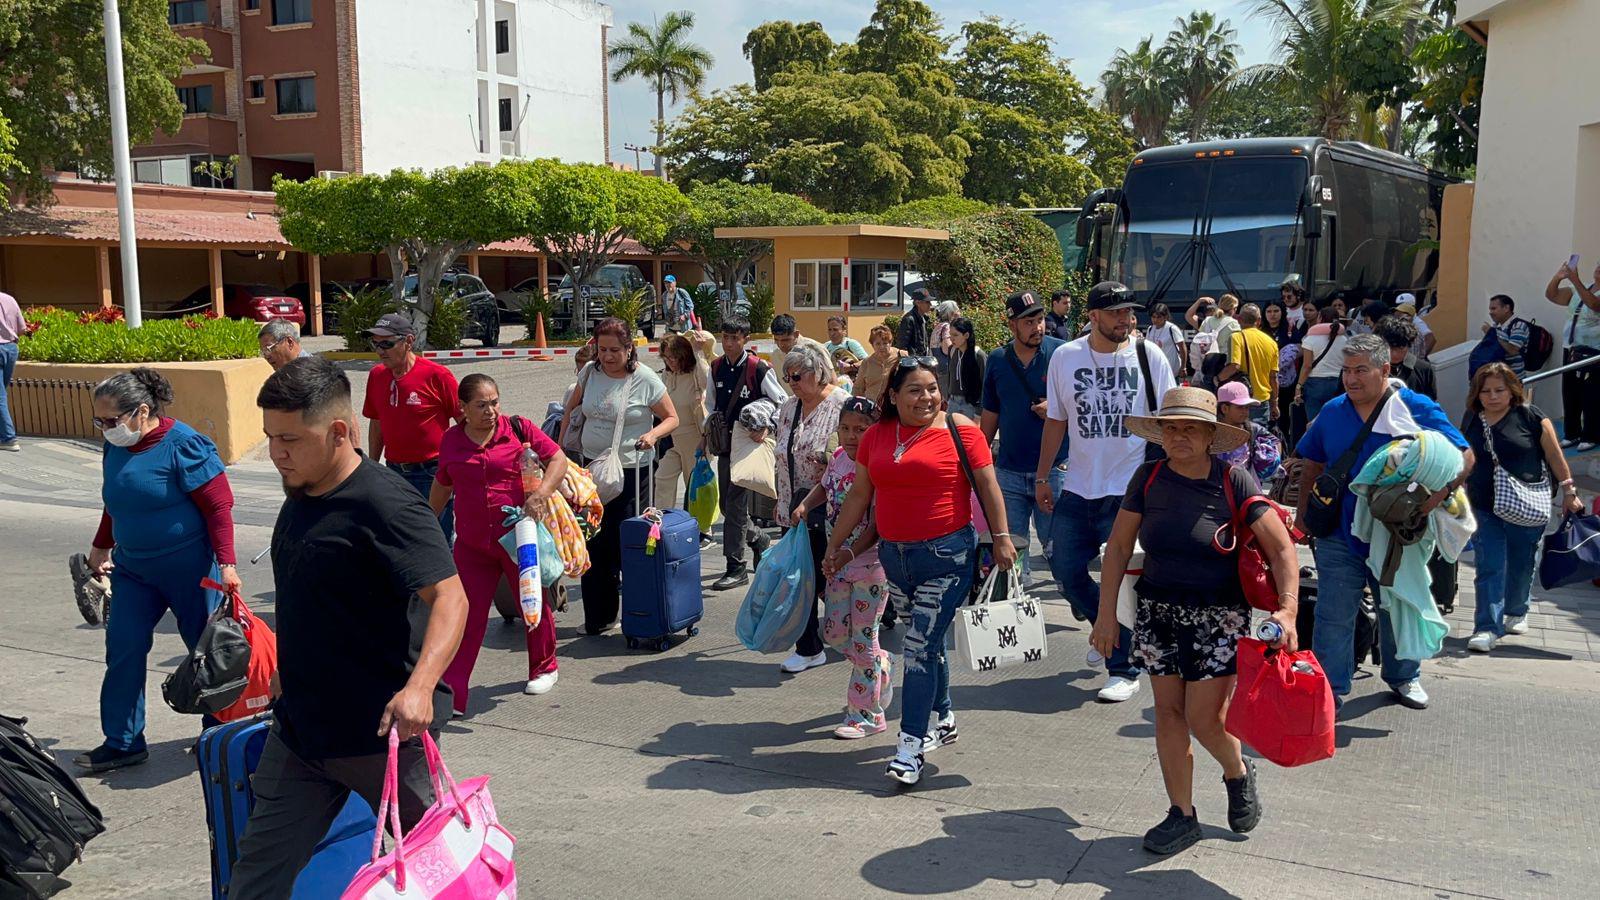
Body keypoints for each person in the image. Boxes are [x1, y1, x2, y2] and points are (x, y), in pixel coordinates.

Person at [230, 357, 468, 899]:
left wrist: (420, 688)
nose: (276, 453)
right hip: (301, 736)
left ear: (339, 432)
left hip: (383, 740)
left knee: (448, 876)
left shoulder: (386, 504)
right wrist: (287, 667)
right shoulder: (302, 492)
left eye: (290, 439)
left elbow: (451, 597)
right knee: (254, 882)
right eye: (270, 437)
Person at [1095, 386, 1297, 855]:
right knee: (1168, 714)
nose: (1179, 436)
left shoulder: (1234, 480)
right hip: (1158, 613)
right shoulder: (1148, 477)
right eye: (1171, 428)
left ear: (1210, 437)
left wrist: (1287, 609)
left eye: (1191, 428)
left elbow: (1281, 547)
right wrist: (1106, 616)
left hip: (1219, 618)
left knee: (1205, 720)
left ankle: (1237, 771)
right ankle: (1182, 815)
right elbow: (1119, 548)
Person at [824, 359, 1015, 786]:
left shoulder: (960, 430)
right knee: (926, 644)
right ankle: (943, 717)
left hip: (947, 558)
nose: (926, 397)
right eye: (914, 390)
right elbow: (859, 496)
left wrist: (1002, 537)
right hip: (895, 560)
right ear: (893, 396)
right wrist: (837, 547)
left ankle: (909, 748)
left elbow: (988, 485)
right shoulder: (876, 436)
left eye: (932, 388)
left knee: (918, 648)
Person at [1294, 334, 1472, 711]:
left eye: (1361, 370)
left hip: (1395, 536)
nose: (1351, 378)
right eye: (1346, 370)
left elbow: (1464, 456)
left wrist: (1436, 497)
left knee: (1397, 606)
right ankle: (1330, 688)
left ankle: (1404, 676)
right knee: (1333, 612)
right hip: (1339, 532)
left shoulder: (1414, 407)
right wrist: (1303, 513)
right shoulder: (1333, 411)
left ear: (1385, 369)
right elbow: (1313, 463)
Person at [75, 369, 235, 772]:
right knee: (123, 648)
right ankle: (124, 742)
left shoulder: (185, 445)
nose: (105, 428)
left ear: (142, 411)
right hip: (133, 570)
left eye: (111, 420)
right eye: (99, 421)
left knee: (206, 654)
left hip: (191, 570)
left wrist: (228, 564)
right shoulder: (116, 446)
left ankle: (220, 733)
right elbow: (115, 502)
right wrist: (100, 546)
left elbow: (219, 506)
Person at [1036, 281, 1177, 703]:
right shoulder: (1066, 356)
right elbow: (1057, 419)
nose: (1125, 320)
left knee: (1120, 579)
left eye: (1129, 312)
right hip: (1079, 486)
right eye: (1115, 312)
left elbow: (1170, 419)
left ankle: (1123, 667)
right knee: (1065, 571)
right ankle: (1106, 628)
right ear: (1093, 316)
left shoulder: (1148, 355)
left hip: (1130, 489)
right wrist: (1042, 477)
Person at [430, 374, 568, 709]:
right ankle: (454, 692)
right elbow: (443, 484)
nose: (490, 411)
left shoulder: (517, 429)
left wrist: (541, 494)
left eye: (494, 402)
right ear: (463, 408)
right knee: (465, 615)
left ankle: (545, 667)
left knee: (531, 602)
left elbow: (558, 459)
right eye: (481, 405)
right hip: (472, 544)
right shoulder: (451, 440)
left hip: (518, 536)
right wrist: (426, 523)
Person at [561, 317, 678, 634]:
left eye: (615, 350)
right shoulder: (590, 372)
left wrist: (652, 435)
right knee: (594, 541)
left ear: (629, 349)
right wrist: (561, 452)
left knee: (626, 541)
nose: (608, 356)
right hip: (591, 470)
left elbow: (671, 418)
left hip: (632, 471)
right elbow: (571, 411)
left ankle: (640, 614)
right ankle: (599, 618)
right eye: (602, 349)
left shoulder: (645, 379)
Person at [1460, 363, 1583, 653]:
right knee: (1489, 565)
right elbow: (1464, 454)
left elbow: (1554, 456)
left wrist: (1569, 492)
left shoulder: (1530, 416)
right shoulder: (1473, 418)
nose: (1492, 397)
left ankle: (1517, 610)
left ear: (1512, 390)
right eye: (1485, 391)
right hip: (1484, 504)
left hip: (1526, 504)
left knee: (1521, 563)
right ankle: (1486, 627)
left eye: (1499, 390)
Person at [792, 397, 890, 738]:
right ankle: (880, 665)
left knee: (863, 641)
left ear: (875, 430)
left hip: (870, 566)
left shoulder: (878, 466)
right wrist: (805, 505)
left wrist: (848, 553)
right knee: (834, 634)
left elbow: (876, 525)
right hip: (837, 563)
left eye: (861, 429)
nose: (851, 436)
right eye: (845, 428)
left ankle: (866, 715)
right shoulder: (837, 457)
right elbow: (824, 487)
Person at [982, 292, 1069, 585]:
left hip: (1055, 470)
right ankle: (1016, 601)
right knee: (1011, 554)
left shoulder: (1062, 354)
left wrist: (1056, 408)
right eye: (1029, 322)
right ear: (1012, 325)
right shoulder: (997, 360)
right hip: (1009, 472)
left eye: (1040, 319)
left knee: (1058, 548)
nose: (1037, 327)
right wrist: (979, 458)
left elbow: (1083, 405)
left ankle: (1072, 592)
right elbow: (991, 412)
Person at [775, 345, 847, 674]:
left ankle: (867, 619)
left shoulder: (841, 404)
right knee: (799, 580)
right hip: (794, 508)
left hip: (830, 509)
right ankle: (808, 648)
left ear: (818, 373)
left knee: (828, 578)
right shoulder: (789, 407)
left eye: (797, 376)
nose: (791, 383)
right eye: (787, 377)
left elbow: (853, 455)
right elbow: (782, 455)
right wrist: (782, 503)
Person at [1377, 314, 1456, 614]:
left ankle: (1438, 592)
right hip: (1382, 455)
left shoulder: (1421, 369)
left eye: (1402, 347)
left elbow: (1432, 411)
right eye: (1392, 346)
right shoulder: (1367, 368)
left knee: (1425, 522)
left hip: (1418, 455)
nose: (1397, 353)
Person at [703, 315, 786, 590]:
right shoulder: (716, 367)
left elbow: (781, 402)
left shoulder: (758, 368)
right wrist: (705, 438)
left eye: (734, 338)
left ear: (745, 339)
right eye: (725, 337)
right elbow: (711, 406)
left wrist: (767, 427)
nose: (728, 343)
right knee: (727, 506)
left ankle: (735, 566)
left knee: (735, 504)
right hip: (725, 445)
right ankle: (758, 538)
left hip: (749, 444)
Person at [361, 312, 460, 542]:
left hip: (432, 474)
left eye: (387, 344)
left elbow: (465, 422)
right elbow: (377, 422)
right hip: (394, 473)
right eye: (375, 344)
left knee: (437, 540)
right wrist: (372, 467)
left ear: (408, 341)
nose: (380, 351)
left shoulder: (437, 375)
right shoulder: (376, 376)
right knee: (400, 540)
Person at [1544, 258, 1600, 451]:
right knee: (1570, 392)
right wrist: (1558, 277)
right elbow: (1552, 295)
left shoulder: (1583, 289)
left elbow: (1594, 304)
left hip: (1594, 351)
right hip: (1571, 348)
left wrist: (1575, 279)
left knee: (1591, 395)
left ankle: (1591, 435)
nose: (1599, 269)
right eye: (1598, 265)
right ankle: (1572, 433)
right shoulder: (1579, 290)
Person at [654, 333, 710, 510]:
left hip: (695, 438)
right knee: (662, 478)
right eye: (666, 357)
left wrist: (698, 351)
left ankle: (698, 523)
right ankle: (663, 519)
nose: (670, 361)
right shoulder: (667, 374)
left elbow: (708, 382)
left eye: (675, 357)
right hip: (671, 438)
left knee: (694, 485)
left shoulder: (694, 373)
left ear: (684, 355)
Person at [1217, 304, 1278, 426]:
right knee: (1258, 435)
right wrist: (1274, 403)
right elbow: (1273, 377)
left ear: (1239, 319)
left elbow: (1234, 365)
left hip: (1239, 401)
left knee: (1238, 435)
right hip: (1262, 401)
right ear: (1259, 320)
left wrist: (1217, 379)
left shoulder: (1236, 337)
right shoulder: (1271, 342)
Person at [1215, 382, 1282, 483]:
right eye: (1240, 407)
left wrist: (1270, 461)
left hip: (1247, 486)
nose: (1245, 411)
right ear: (1224, 408)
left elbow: (1275, 442)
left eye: (1247, 407)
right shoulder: (1211, 431)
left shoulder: (1253, 429)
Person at [1296, 298, 1348, 423]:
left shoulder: (1310, 339)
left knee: (1314, 423)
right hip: (1337, 383)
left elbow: (1307, 366)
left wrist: (1298, 386)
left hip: (1315, 384)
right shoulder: (1344, 340)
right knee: (1335, 421)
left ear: (1320, 318)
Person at [1467, 293, 1530, 378]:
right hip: (1499, 378)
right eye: (1490, 309)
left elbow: (1512, 350)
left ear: (1506, 308)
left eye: (1494, 309)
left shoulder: (1519, 326)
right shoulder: (1496, 327)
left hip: (1514, 379)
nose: (1490, 313)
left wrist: (1492, 334)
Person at [1376, 316, 1437, 401]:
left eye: (1400, 348)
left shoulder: (1423, 369)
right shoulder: (1373, 369)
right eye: (1390, 348)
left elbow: (1430, 403)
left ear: (1409, 345)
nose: (1394, 354)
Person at [768, 315, 830, 395]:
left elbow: (831, 381)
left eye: (785, 340)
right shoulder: (775, 356)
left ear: (796, 334)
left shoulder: (815, 349)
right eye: (776, 340)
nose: (780, 345)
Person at [937, 318, 985, 419]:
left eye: (955, 335)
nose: (951, 338)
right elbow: (950, 375)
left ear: (966, 335)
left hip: (970, 405)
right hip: (952, 402)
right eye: (950, 335)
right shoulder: (952, 350)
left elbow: (986, 385)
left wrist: (979, 412)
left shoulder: (978, 355)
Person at [855, 324, 905, 404]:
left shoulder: (901, 356)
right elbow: (858, 388)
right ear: (872, 345)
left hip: (895, 405)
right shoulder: (867, 363)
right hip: (871, 406)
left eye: (885, 343)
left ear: (890, 343)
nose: (882, 347)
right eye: (878, 344)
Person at [0, 289, 21, 451]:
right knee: (2, 393)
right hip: (11, 348)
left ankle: (8, 438)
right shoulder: (9, 299)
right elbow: (22, 328)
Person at [1144, 303, 1187, 378]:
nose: (1155, 320)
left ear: (1165, 316)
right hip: (1156, 370)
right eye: (1153, 317)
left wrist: (1183, 367)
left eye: (1159, 317)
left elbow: (1182, 348)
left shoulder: (1172, 328)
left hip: (1171, 370)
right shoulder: (1150, 329)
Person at [896, 288, 934, 355]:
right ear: (918, 303)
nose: (930, 305)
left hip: (922, 358)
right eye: (927, 302)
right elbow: (902, 345)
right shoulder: (908, 319)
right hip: (913, 359)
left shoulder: (924, 318)